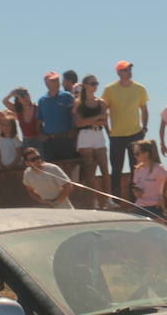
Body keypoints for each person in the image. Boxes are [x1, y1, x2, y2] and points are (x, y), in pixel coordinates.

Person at [102, 60, 148, 197]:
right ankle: (116, 200)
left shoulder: (140, 88)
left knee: (136, 169)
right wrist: (107, 130)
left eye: (129, 69)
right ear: (118, 72)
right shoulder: (109, 89)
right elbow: (104, 111)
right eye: (125, 70)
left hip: (135, 134)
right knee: (116, 169)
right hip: (116, 136)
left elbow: (144, 109)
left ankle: (135, 200)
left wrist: (144, 128)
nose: (129, 72)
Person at [72, 74, 110, 208]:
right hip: (85, 135)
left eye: (96, 83)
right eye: (92, 83)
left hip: (98, 134)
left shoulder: (101, 102)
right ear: (85, 85)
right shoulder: (78, 102)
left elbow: (104, 121)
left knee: (105, 169)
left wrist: (93, 119)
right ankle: (98, 200)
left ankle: (108, 199)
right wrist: (98, 116)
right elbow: (79, 123)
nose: (95, 86)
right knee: (89, 171)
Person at [130, 140, 167, 220]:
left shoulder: (159, 168)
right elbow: (136, 189)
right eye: (134, 153)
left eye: (137, 153)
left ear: (147, 154)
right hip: (139, 207)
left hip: (155, 208)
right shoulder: (138, 170)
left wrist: (165, 197)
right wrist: (137, 191)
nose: (135, 156)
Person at [37, 71, 76, 163]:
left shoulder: (68, 96)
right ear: (46, 83)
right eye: (53, 80)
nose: (57, 82)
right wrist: (40, 134)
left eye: (57, 80)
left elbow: (75, 115)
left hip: (66, 139)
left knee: (68, 168)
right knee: (52, 169)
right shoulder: (42, 101)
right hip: (50, 141)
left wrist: (74, 131)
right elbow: (39, 120)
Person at [4, 87, 41, 152]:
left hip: (39, 140)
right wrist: (11, 94)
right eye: (22, 96)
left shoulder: (37, 107)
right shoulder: (18, 111)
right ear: (18, 99)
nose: (25, 98)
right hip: (26, 142)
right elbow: (5, 101)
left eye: (27, 95)